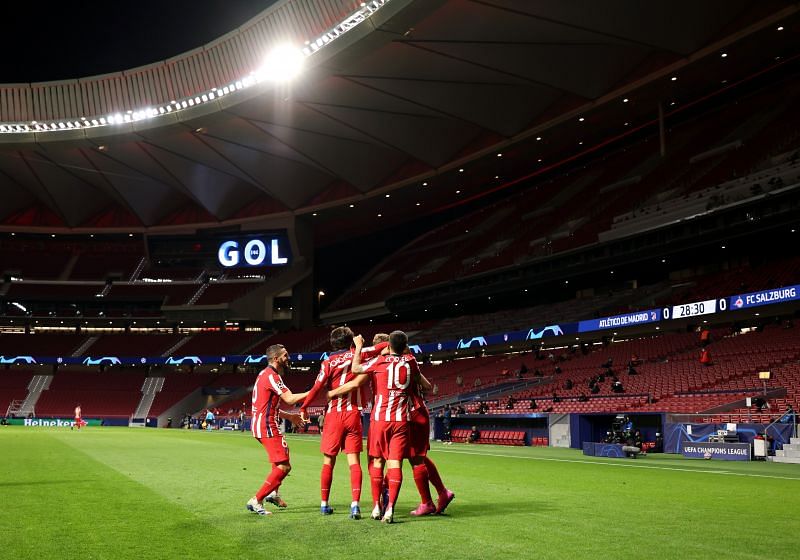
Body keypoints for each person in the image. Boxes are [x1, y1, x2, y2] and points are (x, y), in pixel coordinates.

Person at [299, 326, 388, 519]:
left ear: (332, 343)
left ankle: (324, 504)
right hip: (353, 414)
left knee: (328, 461)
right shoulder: (359, 353)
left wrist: (304, 407)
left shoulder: (328, 362)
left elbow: (316, 388)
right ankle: (355, 505)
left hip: (333, 416)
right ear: (350, 340)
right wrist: (361, 344)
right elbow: (386, 345)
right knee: (354, 462)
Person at [245, 344, 308, 517]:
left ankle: (273, 493)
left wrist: (289, 417)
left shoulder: (264, 375)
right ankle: (256, 500)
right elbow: (289, 398)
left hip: (263, 423)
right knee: (284, 466)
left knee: (281, 458)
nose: (289, 358)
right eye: (285, 355)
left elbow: (266, 406)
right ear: (276, 359)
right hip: (267, 426)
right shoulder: (272, 376)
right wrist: (314, 390)